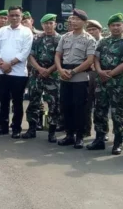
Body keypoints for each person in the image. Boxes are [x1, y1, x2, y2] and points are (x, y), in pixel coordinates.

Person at [87, 13, 123, 155]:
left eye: (118, 25)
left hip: (118, 82)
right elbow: (96, 58)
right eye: (113, 25)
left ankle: (118, 142)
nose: (116, 28)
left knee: (118, 113)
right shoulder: (103, 42)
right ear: (109, 27)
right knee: (99, 110)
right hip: (101, 81)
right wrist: (100, 71)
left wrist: (110, 74)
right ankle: (99, 139)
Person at [55, 9, 96, 148]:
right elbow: (58, 55)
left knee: (80, 108)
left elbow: (90, 60)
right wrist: (60, 70)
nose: (73, 21)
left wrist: (73, 71)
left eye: (77, 19)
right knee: (66, 106)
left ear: (84, 22)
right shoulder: (64, 37)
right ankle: (69, 135)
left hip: (80, 76)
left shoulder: (89, 39)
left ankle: (80, 136)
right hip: (64, 75)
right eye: (72, 18)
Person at [0, 6, 33, 137]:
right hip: (2, 71)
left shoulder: (27, 32)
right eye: (12, 15)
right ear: (8, 16)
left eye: (17, 15)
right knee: (3, 100)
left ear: (21, 17)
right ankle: (3, 126)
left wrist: (10, 64)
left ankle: (16, 128)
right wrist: (2, 64)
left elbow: (25, 52)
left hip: (19, 73)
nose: (14, 18)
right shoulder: (2, 31)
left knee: (17, 102)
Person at [23, 13, 61, 142]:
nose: (48, 26)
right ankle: (31, 129)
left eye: (51, 23)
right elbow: (30, 56)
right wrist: (39, 69)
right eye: (46, 24)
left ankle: (52, 132)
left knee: (53, 104)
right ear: (42, 25)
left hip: (53, 75)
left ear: (55, 24)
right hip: (37, 74)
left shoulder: (60, 39)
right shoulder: (36, 38)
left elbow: (60, 58)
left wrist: (49, 70)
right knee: (33, 101)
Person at [84, 19, 103, 137]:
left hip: (100, 75)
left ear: (99, 30)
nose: (91, 32)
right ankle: (86, 129)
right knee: (87, 104)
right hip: (88, 75)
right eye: (89, 30)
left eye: (94, 29)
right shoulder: (85, 41)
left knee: (100, 106)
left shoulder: (104, 42)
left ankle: (101, 132)